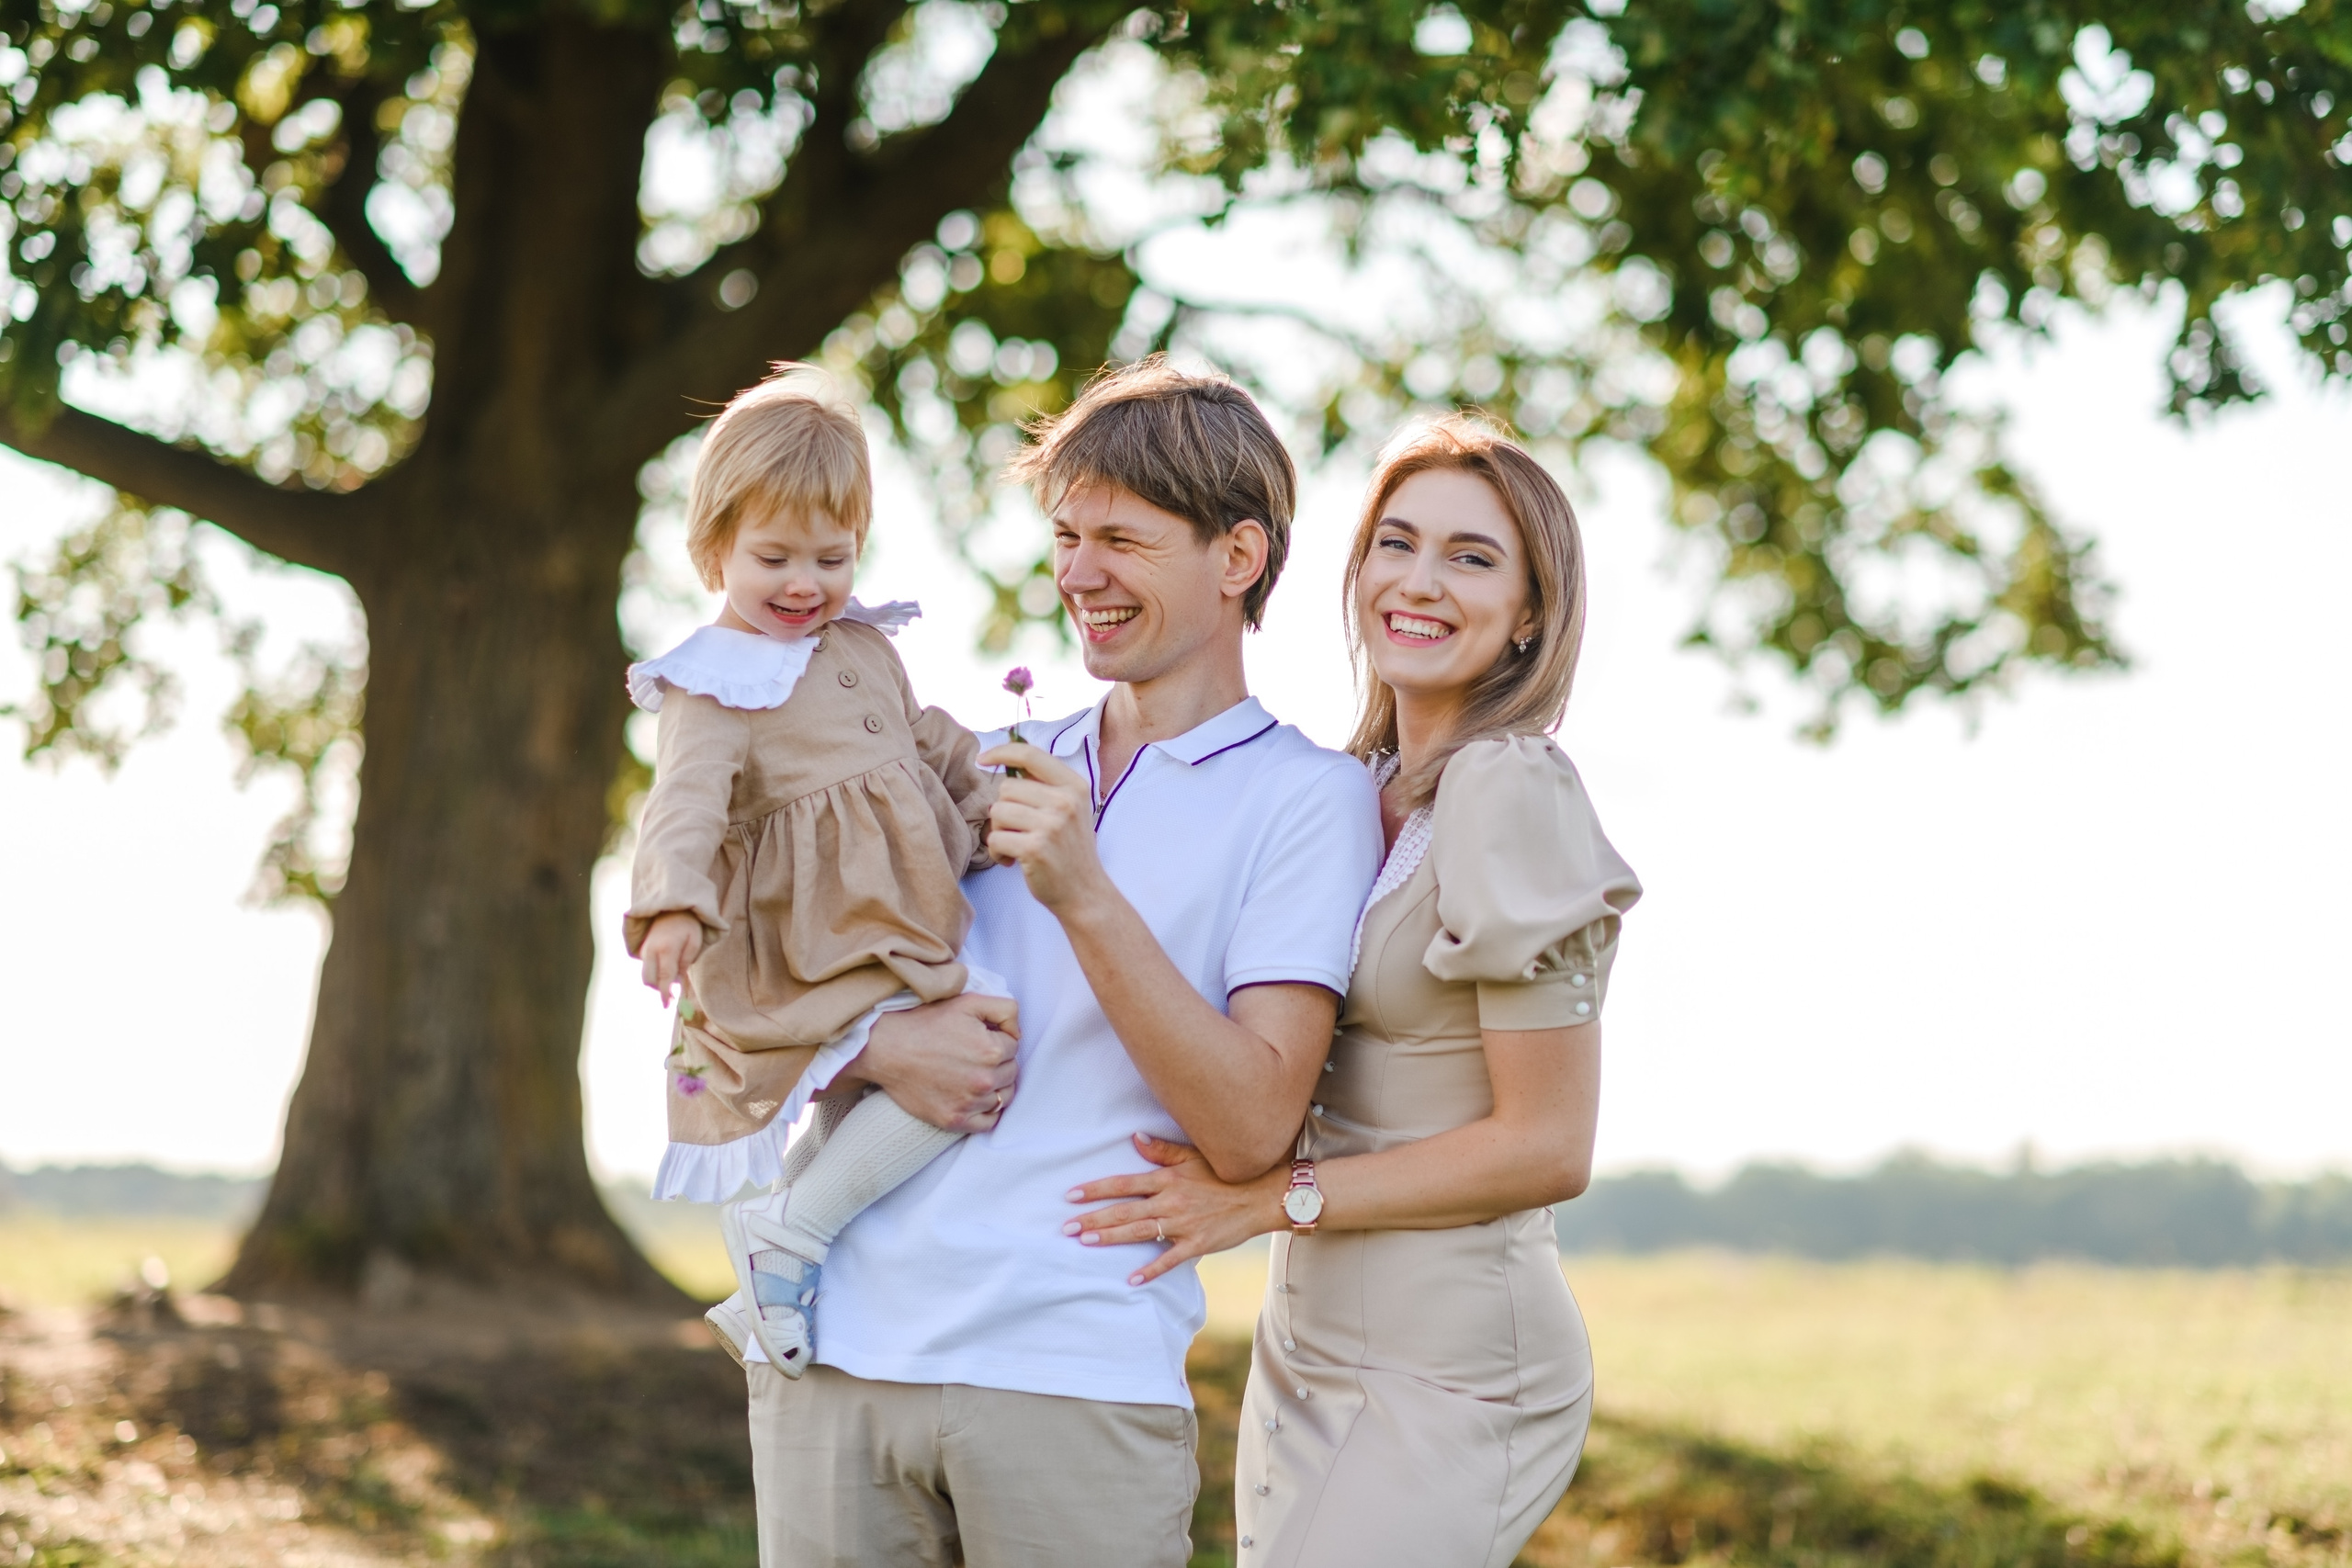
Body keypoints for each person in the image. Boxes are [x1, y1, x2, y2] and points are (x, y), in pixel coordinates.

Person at [744, 358, 1384, 1568]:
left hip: (1068, 1371)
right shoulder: (985, 758)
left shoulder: (1309, 798)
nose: (1077, 573)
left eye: (1122, 540)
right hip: (832, 1351)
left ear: (1238, 557)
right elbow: (761, 976)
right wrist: (875, 1043)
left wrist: (1085, 892)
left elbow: (1253, 1122)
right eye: (1066, 534)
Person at [1065, 415, 1644, 1567]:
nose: (1418, 582)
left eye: (1472, 559)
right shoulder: (1350, 789)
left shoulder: (1507, 787)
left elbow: (1547, 1147)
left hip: (1455, 1360)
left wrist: (1271, 1198)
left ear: (1530, 613)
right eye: (1395, 543)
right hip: (1309, 1338)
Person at [623, 365, 1014, 1375]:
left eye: (831, 558)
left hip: (892, 918)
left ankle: (784, 1247)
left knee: (889, 1094)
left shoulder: (860, 643)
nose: (805, 585)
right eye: (774, 559)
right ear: (715, 548)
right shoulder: (710, 683)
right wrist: (669, 906)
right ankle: (788, 1236)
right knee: (978, 1043)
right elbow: (685, 803)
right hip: (814, 941)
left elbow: (920, 741)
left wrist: (990, 798)